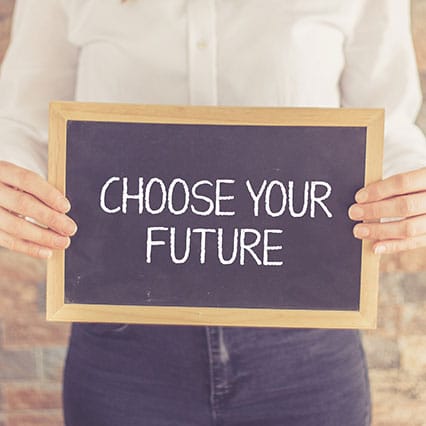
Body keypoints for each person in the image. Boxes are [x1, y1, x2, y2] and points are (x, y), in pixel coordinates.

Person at [0, 1, 425, 425]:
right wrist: (11, 184)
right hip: (123, 339)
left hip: (306, 341)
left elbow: (390, 127)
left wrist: (411, 189)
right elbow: (24, 124)